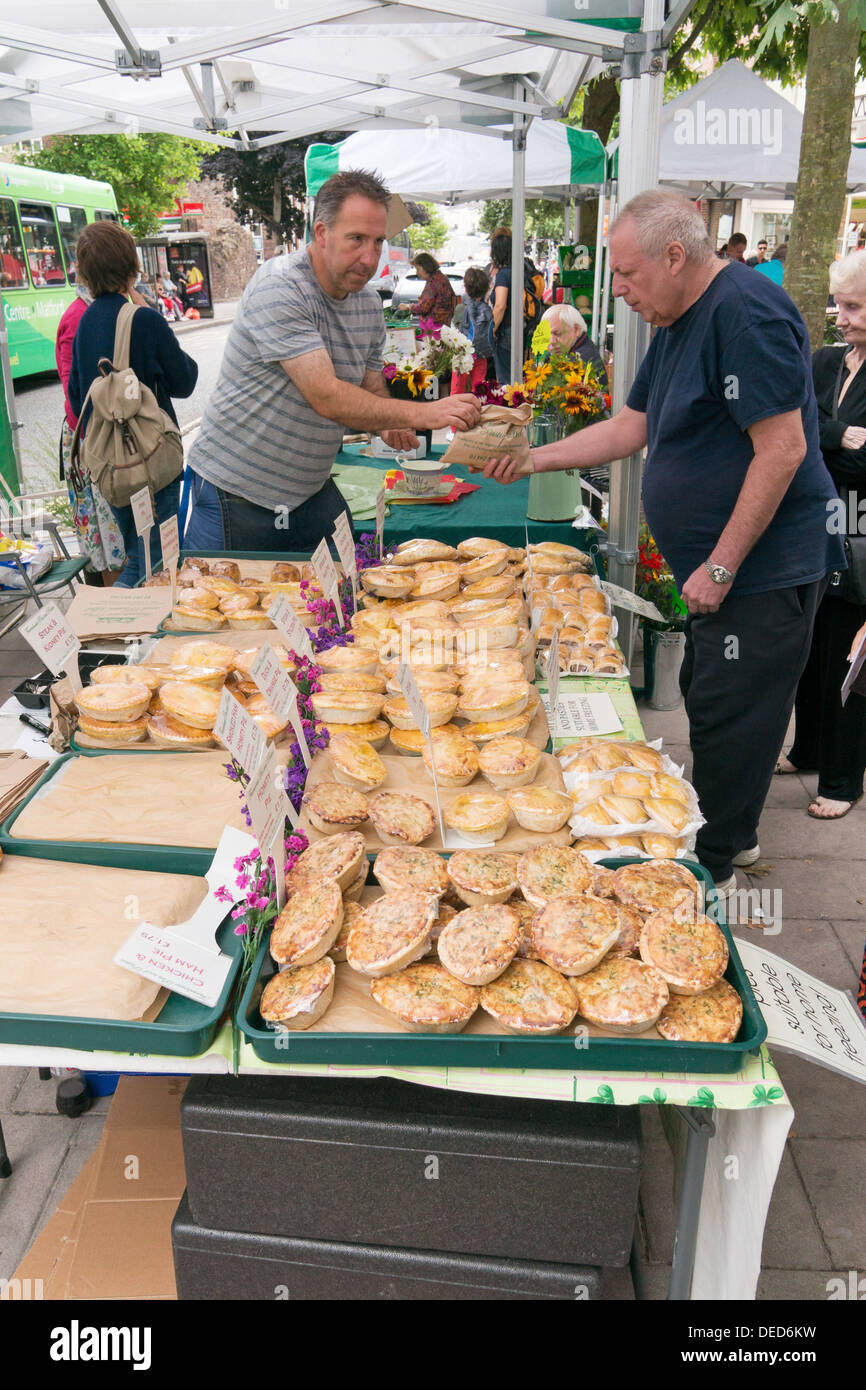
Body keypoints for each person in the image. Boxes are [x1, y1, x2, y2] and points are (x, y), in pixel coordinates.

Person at [481, 188, 845, 893]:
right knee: (714, 706)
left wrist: (720, 563)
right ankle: (727, 839)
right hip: (728, 572)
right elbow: (630, 427)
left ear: (675, 256)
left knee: (731, 718)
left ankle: (707, 879)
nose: (617, 291)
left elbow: (783, 449)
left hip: (762, 572)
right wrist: (532, 455)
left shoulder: (744, 313)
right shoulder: (676, 316)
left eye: (627, 274)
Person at [183, 169, 480, 553]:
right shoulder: (281, 286)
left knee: (345, 600)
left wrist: (388, 424)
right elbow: (327, 396)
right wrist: (427, 414)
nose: (369, 257)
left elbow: (370, 388)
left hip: (309, 492)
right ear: (321, 234)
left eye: (377, 242)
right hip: (238, 493)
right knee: (221, 606)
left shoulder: (369, 304)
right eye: (356, 239)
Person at [776, 250, 866, 818]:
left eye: (853, 306)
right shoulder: (826, 360)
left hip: (860, 534)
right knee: (807, 649)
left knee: (848, 656)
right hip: (815, 526)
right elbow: (794, 426)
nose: (840, 315)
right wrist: (838, 436)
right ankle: (807, 748)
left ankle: (842, 777)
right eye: (839, 302)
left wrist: (819, 445)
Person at [69, 221, 198, 588]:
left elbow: (79, 398)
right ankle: (129, 631)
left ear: (86, 273)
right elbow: (186, 381)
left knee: (136, 555)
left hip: (111, 467)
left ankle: (123, 627)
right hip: (153, 461)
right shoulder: (145, 320)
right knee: (160, 562)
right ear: (132, 267)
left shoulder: (84, 324)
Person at [55, 278, 126, 584]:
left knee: (112, 537)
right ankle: (116, 615)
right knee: (109, 542)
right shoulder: (78, 317)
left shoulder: (88, 311)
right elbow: (76, 397)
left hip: (95, 438)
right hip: (92, 441)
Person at [540, 303, 608, 388]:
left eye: (557, 334)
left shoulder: (581, 361)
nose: (551, 341)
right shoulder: (569, 350)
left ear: (576, 329)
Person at [451, 267, 493, 395]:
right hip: (482, 354)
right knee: (479, 389)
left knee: (457, 389)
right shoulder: (488, 309)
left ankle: (456, 411)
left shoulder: (461, 308)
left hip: (462, 354)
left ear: (466, 288)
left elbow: (454, 331)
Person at [489, 226, 516, 385]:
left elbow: (500, 305)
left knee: (507, 383)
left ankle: (510, 410)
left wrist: (491, 330)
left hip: (506, 332)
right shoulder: (520, 270)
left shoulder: (504, 274)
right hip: (522, 330)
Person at [403, 253, 456, 326]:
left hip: (435, 326)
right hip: (444, 324)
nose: (417, 273)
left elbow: (424, 307)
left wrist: (408, 307)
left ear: (425, 267)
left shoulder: (434, 282)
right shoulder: (441, 277)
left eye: (418, 269)